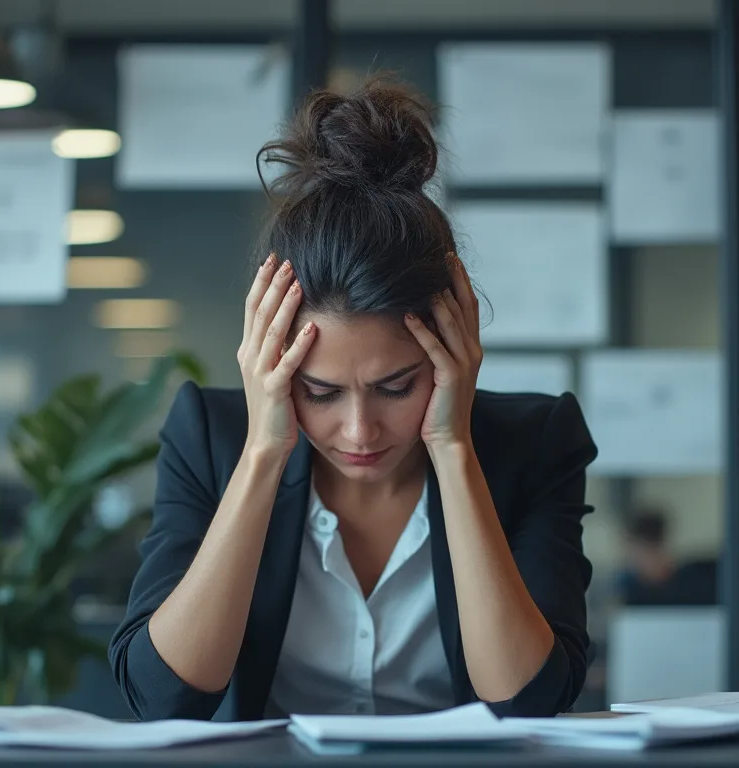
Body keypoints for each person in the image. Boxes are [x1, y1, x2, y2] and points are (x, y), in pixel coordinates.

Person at [108, 78, 598, 722]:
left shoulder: (535, 444)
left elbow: (529, 698)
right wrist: (263, 453)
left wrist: (453, 449)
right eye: (320, 392)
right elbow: (161, 697)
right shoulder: (210, 437)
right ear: (273, 364)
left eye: (396, 386)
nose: (359, 430)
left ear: (453, 352)